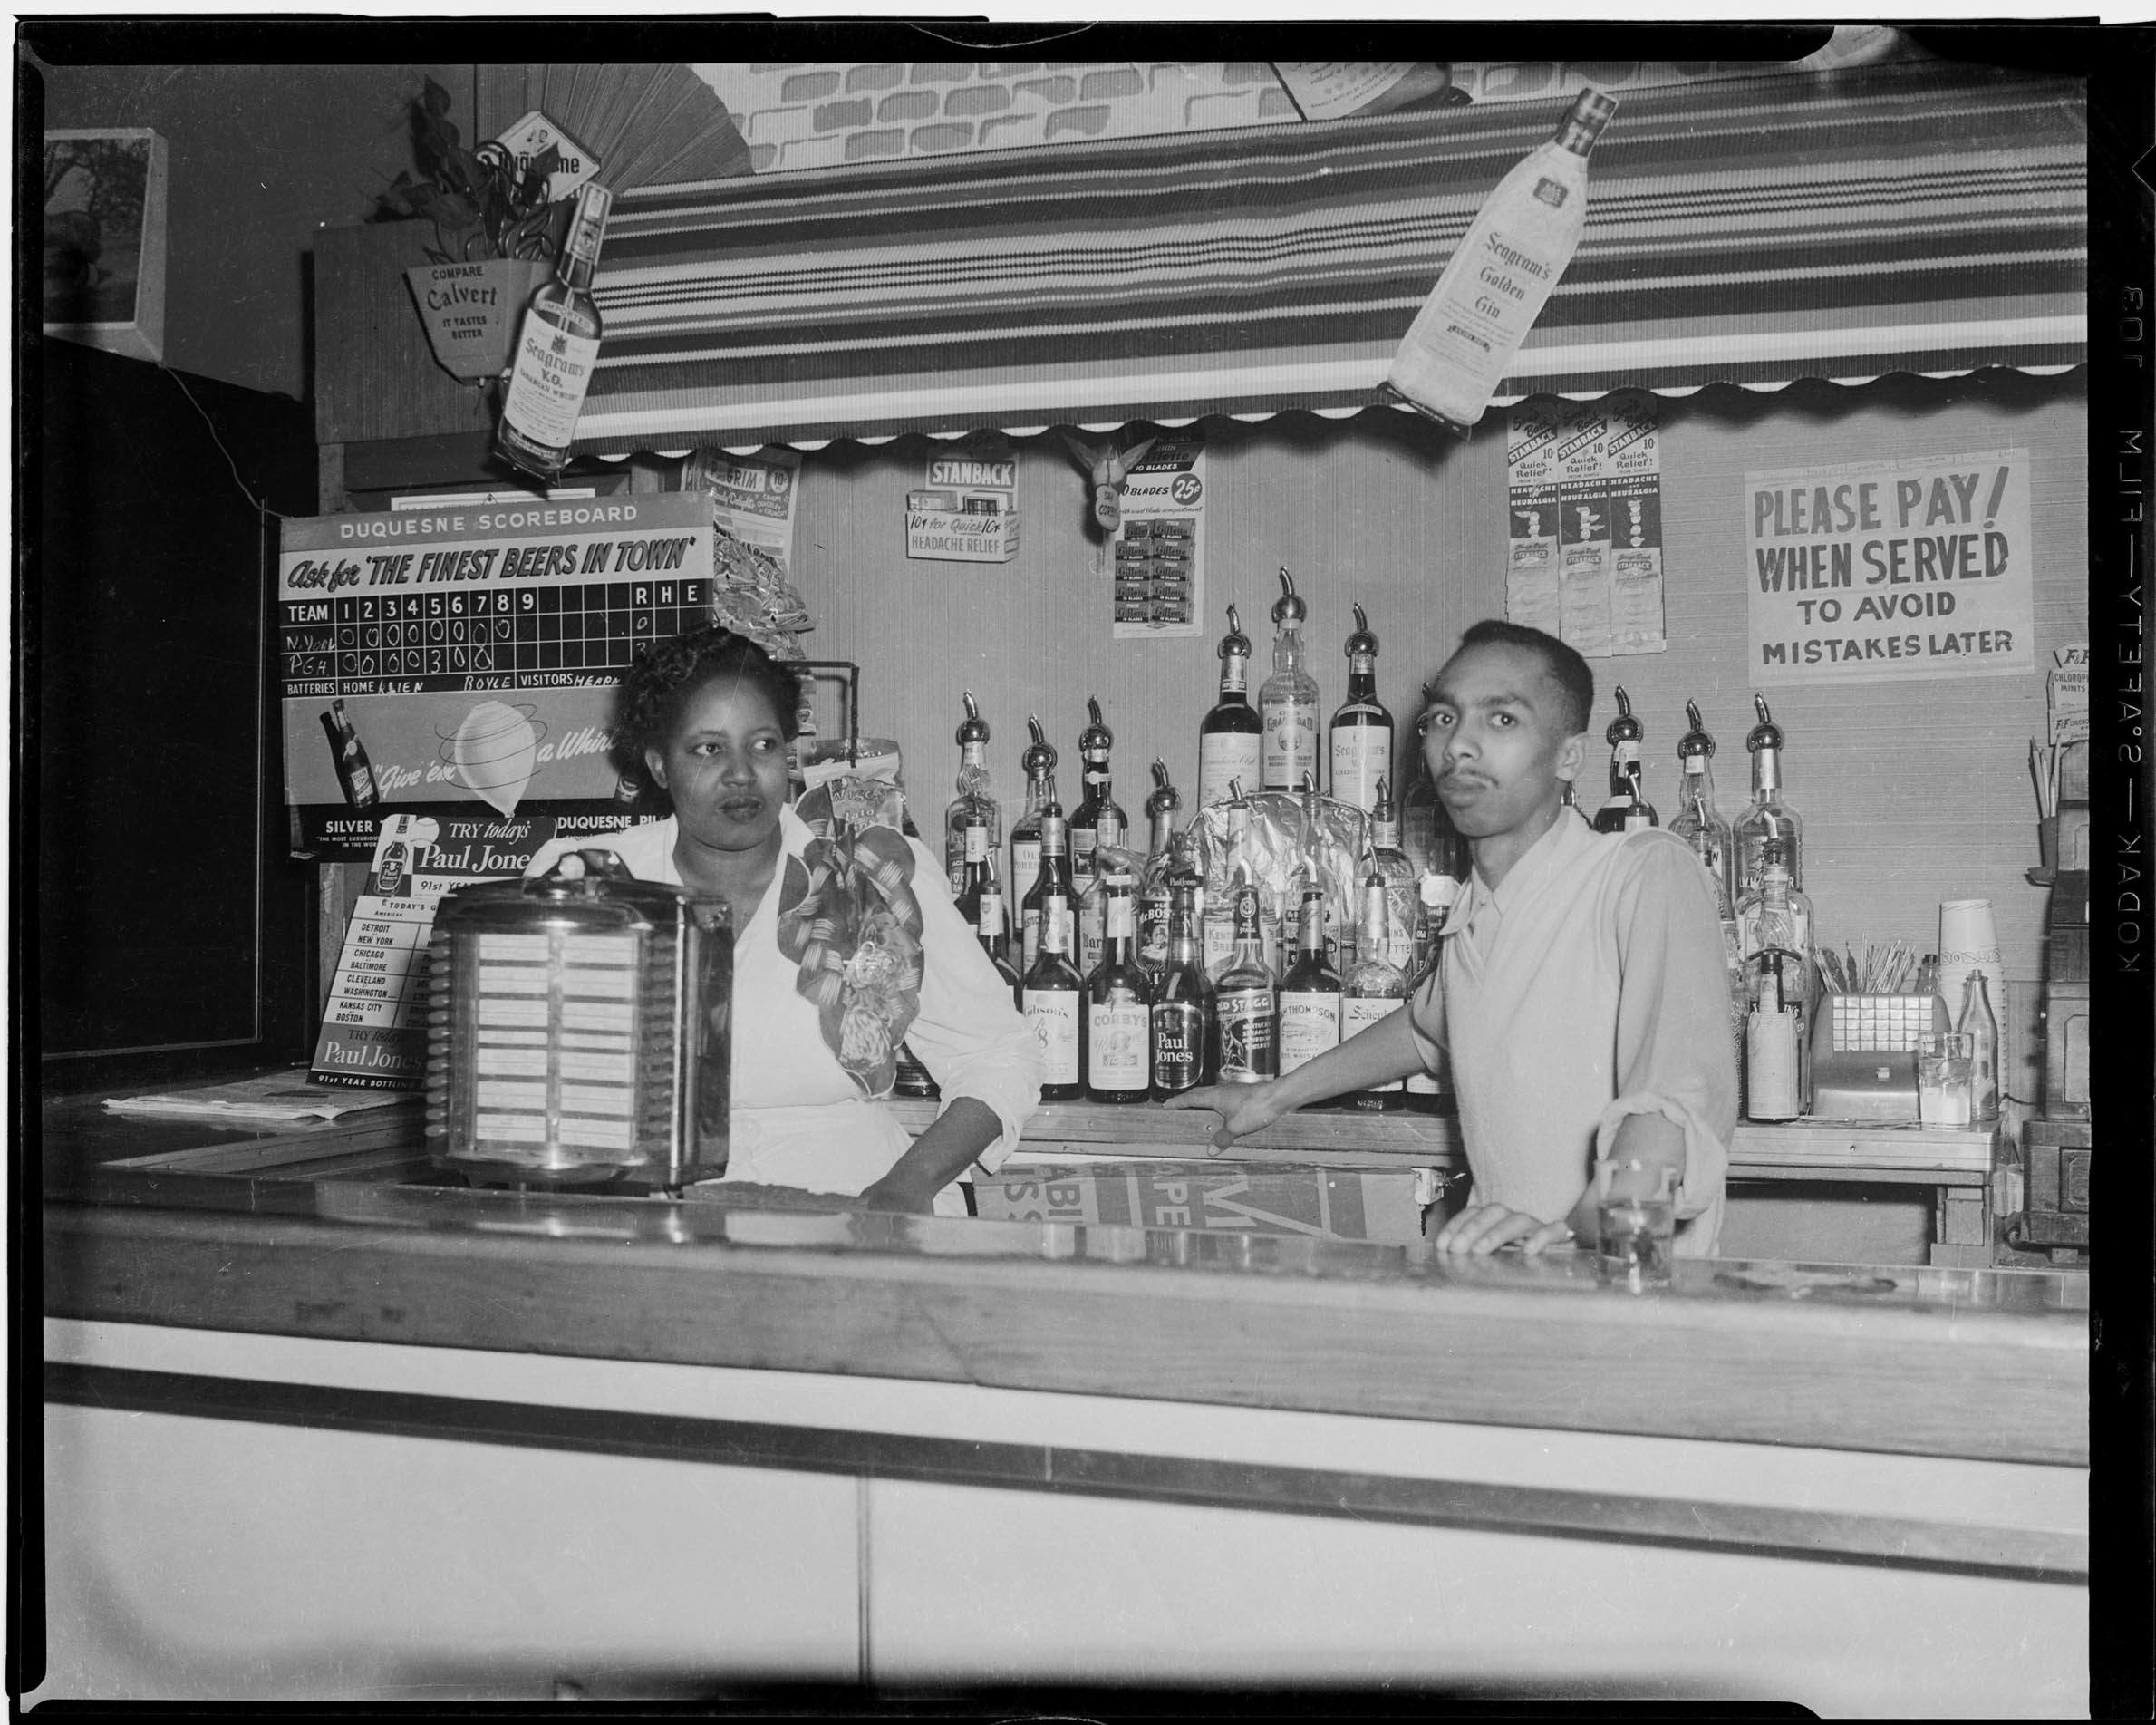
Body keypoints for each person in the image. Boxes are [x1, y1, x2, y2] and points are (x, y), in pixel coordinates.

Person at [1168, 619, 1736, 1257]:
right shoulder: (1476, 908)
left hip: (1620, 1300)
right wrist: (1274, 1097)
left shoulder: (1641, 872)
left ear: (1569, 756)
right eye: (1442, 718)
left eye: (1500, 721)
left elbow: (1665, 1116)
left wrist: (1572, 1240)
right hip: (1509, 1287)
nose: (1458, 744)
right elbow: (1424, 1027)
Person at [527, 625, 1040, 1216]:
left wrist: (909, 1186)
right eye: (707, 749)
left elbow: (1001, 1055)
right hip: (647, 1219)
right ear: (658, 764)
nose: (741, 773)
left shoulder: (869, 871)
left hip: (855, 1212)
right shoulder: (585, 881)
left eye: (763, 744)